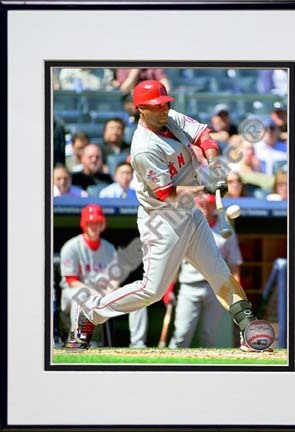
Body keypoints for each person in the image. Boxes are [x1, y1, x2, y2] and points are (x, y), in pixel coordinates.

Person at [71, 80, 274, 352]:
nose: (164, 109)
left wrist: (213, 164)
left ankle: (248, 329)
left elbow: (204, 136)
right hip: (164, 221)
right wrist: (206, 187)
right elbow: (168, 193)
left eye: (166, 104)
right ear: (141, 109)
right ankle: (91, 313)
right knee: (151, 291)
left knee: (219, 272)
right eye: (157, 106)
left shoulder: (171, 117)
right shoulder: (144, 148)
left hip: (190, 214)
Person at [60, 204, 147, 348]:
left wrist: (111, 289)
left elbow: (114, 279)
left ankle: (138, 344)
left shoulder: (108, 247)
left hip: (101, 293)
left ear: (102, 224)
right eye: (90, 222)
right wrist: (95, 291)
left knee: (137, 298)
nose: (94, 226)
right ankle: (76, 342)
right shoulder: (72, 246)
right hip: (74, 293)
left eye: (97, 223)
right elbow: (72, 281)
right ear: (84, 224)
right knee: (81, 297)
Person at [166, 193, 242, 348]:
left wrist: (237, 288)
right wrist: (169, 287)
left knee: (208, 336)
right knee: (181, 334)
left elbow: (234, 262)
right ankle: (172, 370)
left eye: (209, 203)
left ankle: (207, 372)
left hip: (217, 288)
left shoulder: (225, 228)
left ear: (215, 205)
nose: (205, 207)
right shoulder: (186, 227)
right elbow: (175, 261)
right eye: (202, 203)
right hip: (189, 286)